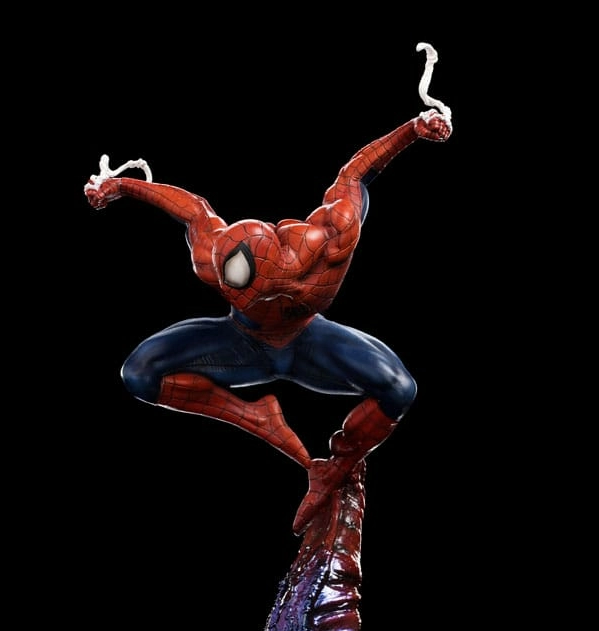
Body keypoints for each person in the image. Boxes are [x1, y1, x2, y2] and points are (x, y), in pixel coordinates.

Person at [85, 107, 451, 533]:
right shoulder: (215, 257)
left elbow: (355, 174)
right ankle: (257, 418)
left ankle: (335, 468)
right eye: (241, 284)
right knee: (139, 374)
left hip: (309, 342)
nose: (256, 293)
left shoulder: (334, 237)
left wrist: (413, 129)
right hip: (242, 343)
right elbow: (193, 211)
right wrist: (120, 185)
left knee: (400, 389)